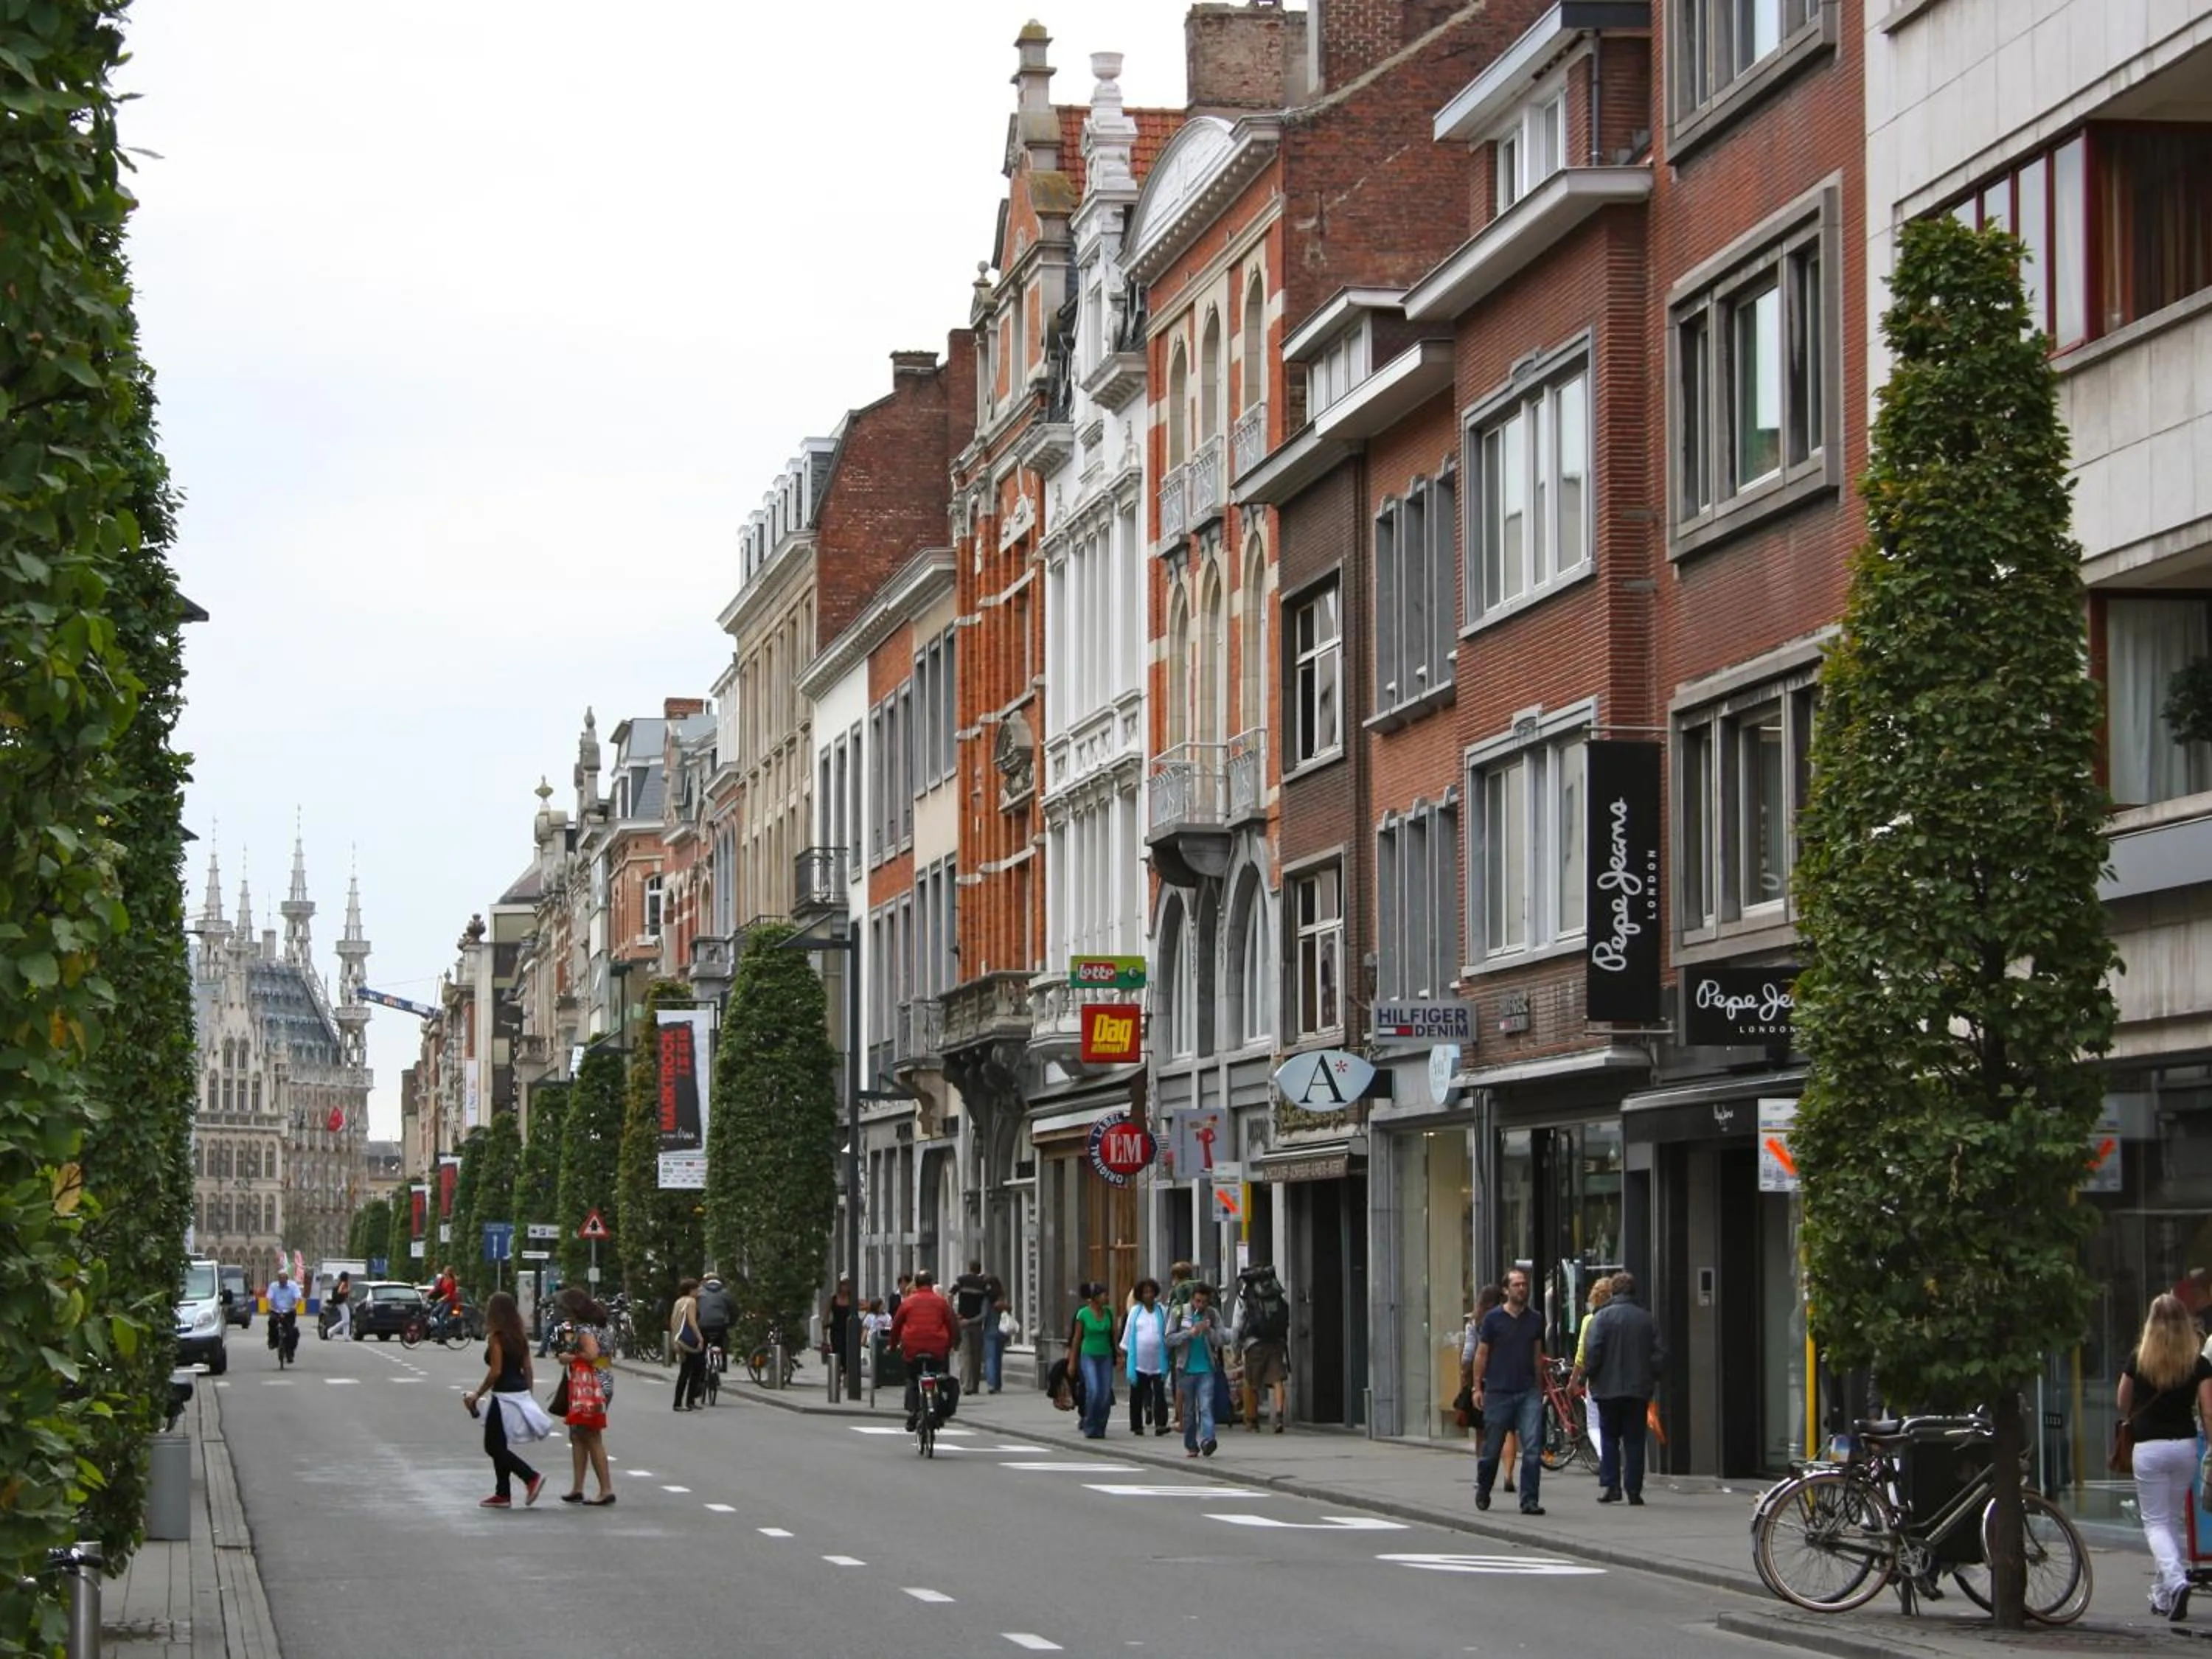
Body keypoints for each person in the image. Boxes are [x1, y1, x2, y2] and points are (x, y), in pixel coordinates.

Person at [2121, 1292, 2212, 1621]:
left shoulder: (2139, 1359)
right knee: (2170, 1521)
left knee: (2156, 1524)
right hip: (2184, 1446)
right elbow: (2208, 1410)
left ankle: (2175, 1582)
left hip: (2149, 1447)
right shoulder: (2197, 1363)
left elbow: (2123, 1401)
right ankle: (2162, 1596)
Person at [1573, 1271, 1662, 1507]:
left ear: (1613, 1291)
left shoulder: (1601, 1318)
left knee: (1609, 1437)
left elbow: (1593, 1352)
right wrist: (1652, 1377)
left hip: (1607, 1388)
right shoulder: (1646, 1318)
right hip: (1637, 1389)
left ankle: (1612, 1486)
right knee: (1634, 1440)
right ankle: (1634, 1489)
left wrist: (1591, 1377)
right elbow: (1659, 1354)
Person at [1469, 1267, 1548, 1515]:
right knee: (1492, 1448)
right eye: (1516, 1285)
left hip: (1528, 1391)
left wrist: (1540, 1385)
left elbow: (1537, 1355)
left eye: (1524, 1284)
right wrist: (1477, 1387)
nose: (1522, 1289)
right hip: (1499, 1391)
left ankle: (1529, 1500)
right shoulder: (1493, 1319)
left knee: (1533, 1446)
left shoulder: (1535, 1319)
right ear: (1506, 1290)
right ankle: (1484, 1488)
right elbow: (1481, 1354)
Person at [463, 1290, 552, 1508]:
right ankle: (503, 1493)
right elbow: (528, 1369)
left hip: (502, 1397)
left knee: (492, 1446)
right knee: (499, 1444)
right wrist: (528, 1395)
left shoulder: (497, 1337)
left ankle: (530, 1477)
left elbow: (496, 1371)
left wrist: (477, 1394)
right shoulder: (520, 1336)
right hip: (519, 1392)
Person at [552, 1286, 616, 1505]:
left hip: (590, 1384)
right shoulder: (601, 1325)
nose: (564, 1312)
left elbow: (591, 1354)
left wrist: (568, 1358)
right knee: (577, 1434)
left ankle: (606, 1489)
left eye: (566, 1308)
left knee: (590, 1435)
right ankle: (577, 1487)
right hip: (600, 1379)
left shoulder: (585, 1329)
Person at [888, 1268, 960, 1432]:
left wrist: (892, 1346)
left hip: (913, 1348)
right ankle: (939, 1411)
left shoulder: (908, 1302)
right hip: (937, 1349)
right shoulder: (941, 1302)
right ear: (931, 1284)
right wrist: (952, 1344)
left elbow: (896, 1326)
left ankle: (914, 1411)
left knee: (913, 1380)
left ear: (916, 1284)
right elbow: (952, 1326)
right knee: (940, 1378)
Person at [1167, 1280, 1227, 1458]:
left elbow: (1222, 1339)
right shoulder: (1179, 1313)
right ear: (1192, 1300)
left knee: (1206, 1406)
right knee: (1189, 1410)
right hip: (1185, 1369)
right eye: (1197, 1301)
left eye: (1204, 1302)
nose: (1200, 1306)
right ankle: (1191, 1445)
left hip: (1206, 1368)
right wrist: (1189, 1333)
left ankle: (1208, 1440)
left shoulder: (1212, 1315)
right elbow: (1169, 1339)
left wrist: (1209, 1332)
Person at [1233, 1263, 1293, 1433]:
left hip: (1254, 1343)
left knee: (1252, 1381)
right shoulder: (1274, 1293)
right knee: (1277, 1379)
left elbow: (1237, 1325)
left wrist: (1236, 1350)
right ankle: (1279, 1416)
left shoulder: (1246, 1296)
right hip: (1276, 1342)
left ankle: (1252, 1420)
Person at [1572, 1276, 1614, 1475]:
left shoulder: (1590, 1320)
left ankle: (1604, 1456)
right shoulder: (1618, 1318)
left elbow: (1582, 1355)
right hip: (1618, 1377)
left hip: (1597, 1378)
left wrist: (1573, 1381)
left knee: (1594, 1423)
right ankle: (1611, 1455)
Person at [1121, 1278, 1171, 1436]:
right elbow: (1128, 1335)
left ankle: (1161, 1424)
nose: (1149, 1295)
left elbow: (1168, 1333)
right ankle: (1137, 1425)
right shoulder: (1135, 1312)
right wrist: (1125, 1355)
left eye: (1151, 1292)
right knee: (1136, 1394)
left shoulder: (1162, 1311)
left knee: (1159, 1393)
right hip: (1139, 1362)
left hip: (1158, 1361)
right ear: (1140, 1295)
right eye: (1145, 1293)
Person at [1069, 1281, 1117, 1440]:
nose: (1106, 1297)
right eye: (1103, 1294)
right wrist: (1072, 1361)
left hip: (1106, 1356)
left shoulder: (1109, 1313)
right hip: (1088, 1355)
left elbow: (1114, 1336)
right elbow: (1076, 1339)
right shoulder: (1083, 1314)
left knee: (1105, 1395)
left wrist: (1120, 1355)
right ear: (1095, 1297)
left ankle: (1101, 1426)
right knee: (1094, 1391)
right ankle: (1090, 1425)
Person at [951, 1259, 1003, 1397]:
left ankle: (967, 1386)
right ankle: (975, 1386)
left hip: (962, 1322)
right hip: (976, 1324)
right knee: (976, 1356)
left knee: (965, 1355)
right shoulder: (983, 1284)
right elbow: (990, 1300)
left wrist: (953, 1313)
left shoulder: (961, 1280)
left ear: (969, 1268)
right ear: (979, 1270)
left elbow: (951, 1293)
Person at [669, 1277, 706, 1411]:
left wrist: (674, 1339)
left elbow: (673, 1321)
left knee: (685, 1371)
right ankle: (686, 1401)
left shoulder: (678, 1302)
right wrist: (700, 1337)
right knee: (696, 1369)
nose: (698, 1292)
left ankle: (680, 1401)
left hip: (679, 1339)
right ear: (691, 1290)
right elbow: (692, 1322)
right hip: (689, 1340)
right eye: (697, 1289)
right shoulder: (691, 1302)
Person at [823, 1276, 858, 1396]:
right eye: (844, 1285)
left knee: (847, 1354)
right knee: (837, 1351)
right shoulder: (833, 1299)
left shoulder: (852, 1299)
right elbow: (826, 1316)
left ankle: (847, 1377)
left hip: (849, 1331)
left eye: (848, 1285)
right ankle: (837, 1376)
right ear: (840, 1286)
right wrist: (824, 1337)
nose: (846, 1287)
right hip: (836, 1330)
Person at [695, 1273, 737, 1357]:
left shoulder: (699, 1292)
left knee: (703, 1343)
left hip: (703, 1323)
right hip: (720, 1323)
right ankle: (723, 1363)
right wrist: (731, 1322)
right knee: (722, 1339)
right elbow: (734, 1309)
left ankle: (702, 1362)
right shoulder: (726, 1292)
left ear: (705, 1281)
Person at [265, 1269, 302, 1355]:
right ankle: (272, 1341)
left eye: (284, 1278)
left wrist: (295, 1306)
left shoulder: (293, 1286)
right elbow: (269, 1298)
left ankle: (290, 1352)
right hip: (276, 1311)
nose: (282, 1280)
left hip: (289, 1311)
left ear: (287, 1278)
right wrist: (270, 1307)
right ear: (278, 1279)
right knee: (272, 1322)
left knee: (291, 1332)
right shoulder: (273, 1286)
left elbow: (297, 1298)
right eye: (280, 1278)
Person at [985, 1291, 1012, 1394]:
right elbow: (1009, 1311)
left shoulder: (987, 1301)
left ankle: (991, 1384)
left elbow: (983, 1315)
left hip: (989, 1331)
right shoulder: (1003, 1303)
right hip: (1002, 1332)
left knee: (990, 1358)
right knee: (998, 1358)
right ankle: (998, 1384)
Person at [327, 1271, 352, 1341]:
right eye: (348, 1277)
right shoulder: (343, 1283)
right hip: (341, 1303)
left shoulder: (342, 1282)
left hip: (342, 1303)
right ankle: (331, 1331)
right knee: (346, 1320)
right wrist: (347, 1290)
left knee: (347, 1320)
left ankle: (346, 1336)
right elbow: (339, 1291)